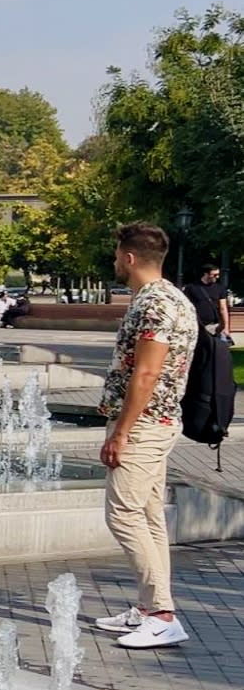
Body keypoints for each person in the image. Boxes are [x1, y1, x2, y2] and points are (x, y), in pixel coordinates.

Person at [94, 223, 199, 649]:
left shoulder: (154, 305)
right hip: (158, 422)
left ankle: (162, 615)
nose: (116, 261)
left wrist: (121, 432)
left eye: (118, 255)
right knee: (150, 516)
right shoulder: (175, 298)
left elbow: (148, 373)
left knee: (122, 514)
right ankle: (149, 606)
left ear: (130, 258)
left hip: (143, 426)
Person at [181, 263, 231, 343]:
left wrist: (226, 327)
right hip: (197, 326)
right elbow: (185, 307)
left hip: (215, 326)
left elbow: (223, 308)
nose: (217, 277)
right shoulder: (191, 288)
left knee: (216, 352)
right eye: (214, 275)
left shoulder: (219, 288)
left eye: (218, 274)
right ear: (206, 274)